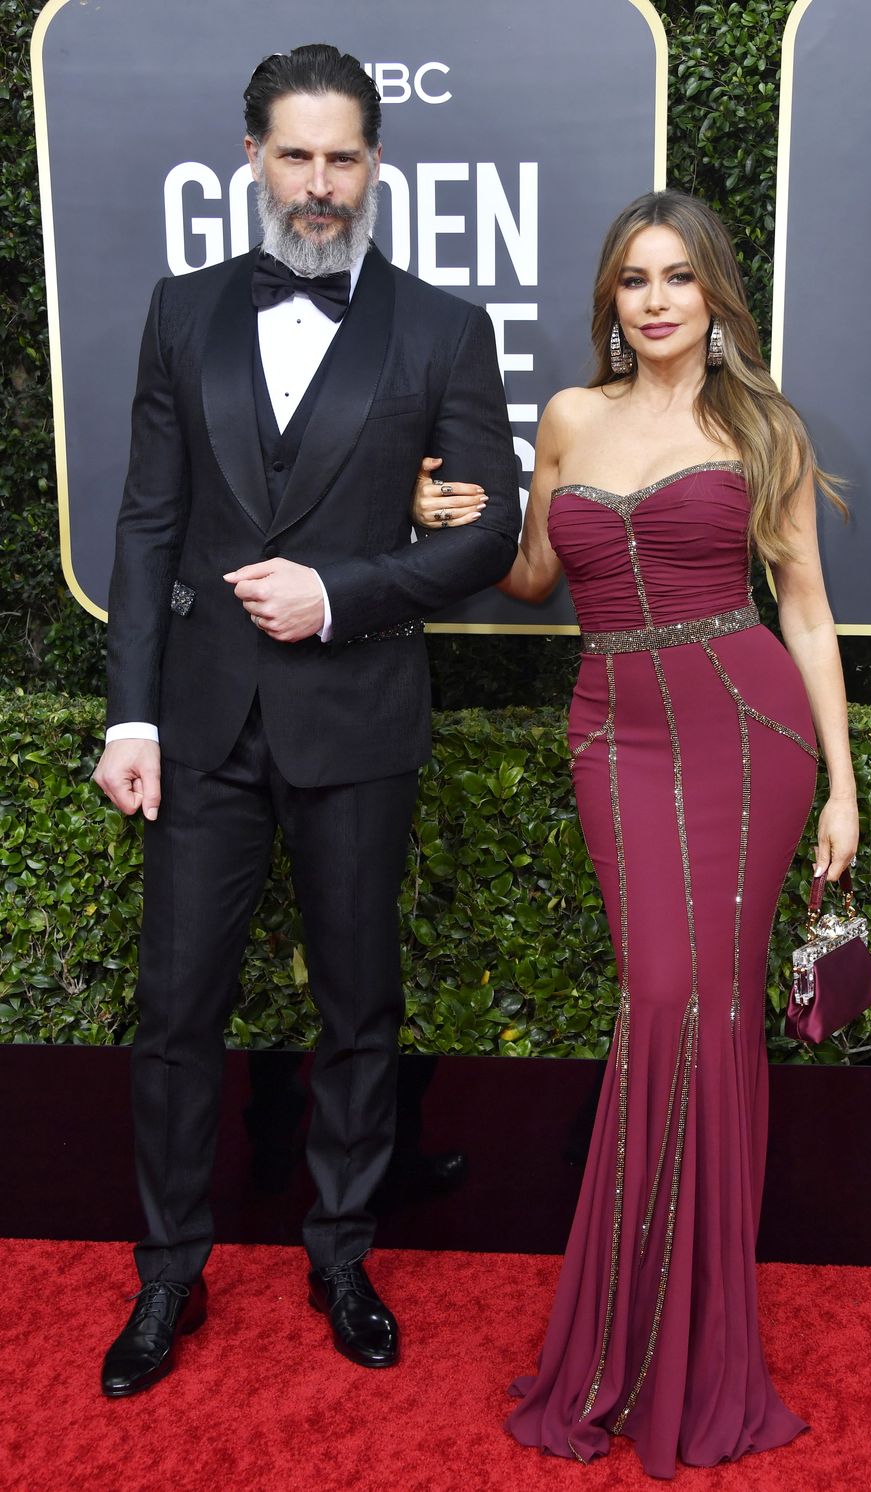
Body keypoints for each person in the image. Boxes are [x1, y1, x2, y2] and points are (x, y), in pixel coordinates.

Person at [92, 43, 519, 1397]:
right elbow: (148, 522)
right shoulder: (183, 311)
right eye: (296, 156)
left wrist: (339, 592)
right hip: (203, 721)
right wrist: (131, 717)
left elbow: (490, 530)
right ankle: (169, 1276)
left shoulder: (442, 327)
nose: (320, 183)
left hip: (357, 712)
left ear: (375, 163)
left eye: (343, 157)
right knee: (176, 1012)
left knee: (358, 1004)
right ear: (253, 159)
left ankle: (341, 1254)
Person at [412, 189, 858, 1478]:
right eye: (632, 280)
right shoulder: (569, 417)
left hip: (746, 728)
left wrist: (843, 786)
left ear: (715, 294)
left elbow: (806, 610)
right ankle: (638, 1326)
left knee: (699, 1008)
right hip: (614, 733)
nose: (656, 300)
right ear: (610, 299)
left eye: (677, 277)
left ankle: (695, 1341)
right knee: (662, 998)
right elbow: (534, 576)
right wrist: (452, 522)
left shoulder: (761, 427)